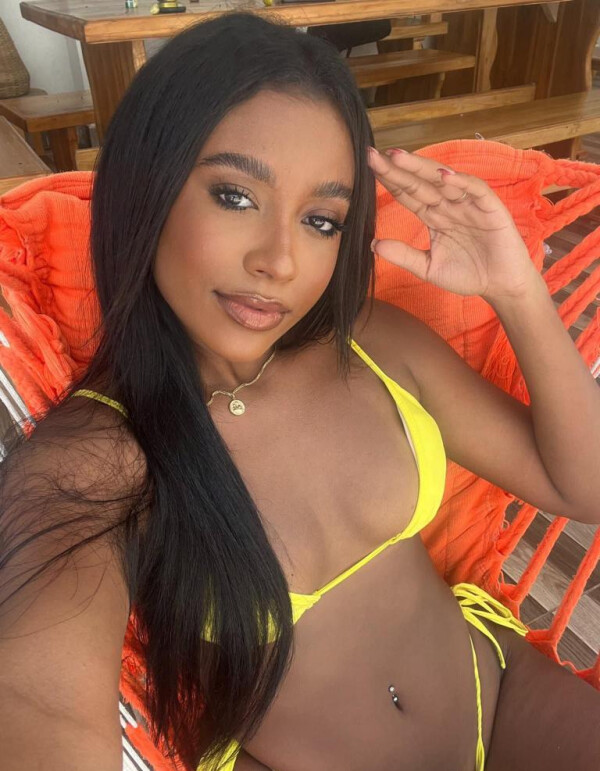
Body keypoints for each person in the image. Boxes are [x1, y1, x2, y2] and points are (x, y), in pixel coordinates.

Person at [1, 12, 599, 771]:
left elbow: (581, 485)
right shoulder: (98, 459)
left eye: (321, 219)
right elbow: (37, 701)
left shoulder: (368, 341)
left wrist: (517, 290)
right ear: (147, 188)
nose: (280, 261)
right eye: (235, 197)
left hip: (500, 694)